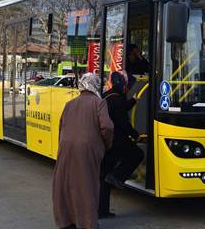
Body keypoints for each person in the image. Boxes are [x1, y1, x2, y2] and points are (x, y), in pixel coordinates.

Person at [52, 73, 114, 229]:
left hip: (66, 147)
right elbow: (107, 126)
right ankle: (87, 223)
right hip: (88, 149)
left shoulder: (70, 104)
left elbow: (61, 126)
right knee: (87, 185)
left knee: (66, 184)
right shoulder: (99, 103)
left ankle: (66, 220)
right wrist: (106, 144)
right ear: (95, 85)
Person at [99, 70, 144, 219]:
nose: (128, 88)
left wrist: (133, 101)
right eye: (128, 85)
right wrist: (136, 135)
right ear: (123, 84)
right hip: (117, 141)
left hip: (104, 142)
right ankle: (118, 176)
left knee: (104, 176)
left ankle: (102, 211)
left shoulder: (106, 96)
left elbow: (121, 108)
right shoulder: (117, 100)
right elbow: (122, 122)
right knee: (137, 154)